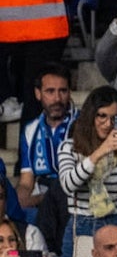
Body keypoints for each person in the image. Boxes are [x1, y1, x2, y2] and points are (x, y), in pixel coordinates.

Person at [56, 86, 117, 257]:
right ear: (90, 116)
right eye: (101, 116)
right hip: (82, 222)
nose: (107, 123)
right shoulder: (70, 147)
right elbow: (69, 184)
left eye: (114, 117)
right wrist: (99, 153)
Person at [15, 64, 75, 214]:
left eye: (63, 91)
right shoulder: (30, 129)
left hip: (74, 200)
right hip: (42, 200)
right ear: (38, 93)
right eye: (50, 91)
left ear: (70, 92)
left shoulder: (83, 123)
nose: (57, 98)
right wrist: (16, 203)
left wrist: (42, 198)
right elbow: (26, 183)